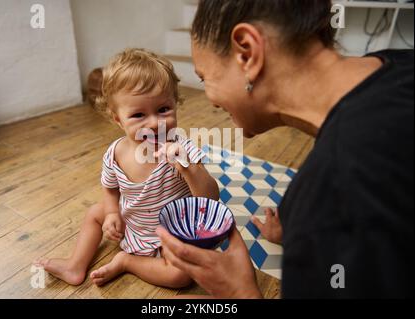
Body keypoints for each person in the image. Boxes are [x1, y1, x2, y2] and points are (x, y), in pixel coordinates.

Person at [157, 0, 414, 298]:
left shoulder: (335, 187)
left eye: (205, 78)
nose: (211, 100)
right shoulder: (397, 62)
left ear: (247, 52)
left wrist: (241, 293)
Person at [34, 48, 219, 288]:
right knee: (94, 213)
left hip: (169, 234)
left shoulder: (181, 148)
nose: (154, 123)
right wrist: (112, 213)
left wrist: (187, 167)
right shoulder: (115, 153)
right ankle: (75, 265)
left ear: (176, 104)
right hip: (133, 221)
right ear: (118, 119)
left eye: (163, 109)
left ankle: (126, 262)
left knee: (180, 276)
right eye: (138, 115)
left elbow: (211, 198)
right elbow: (110, 189)